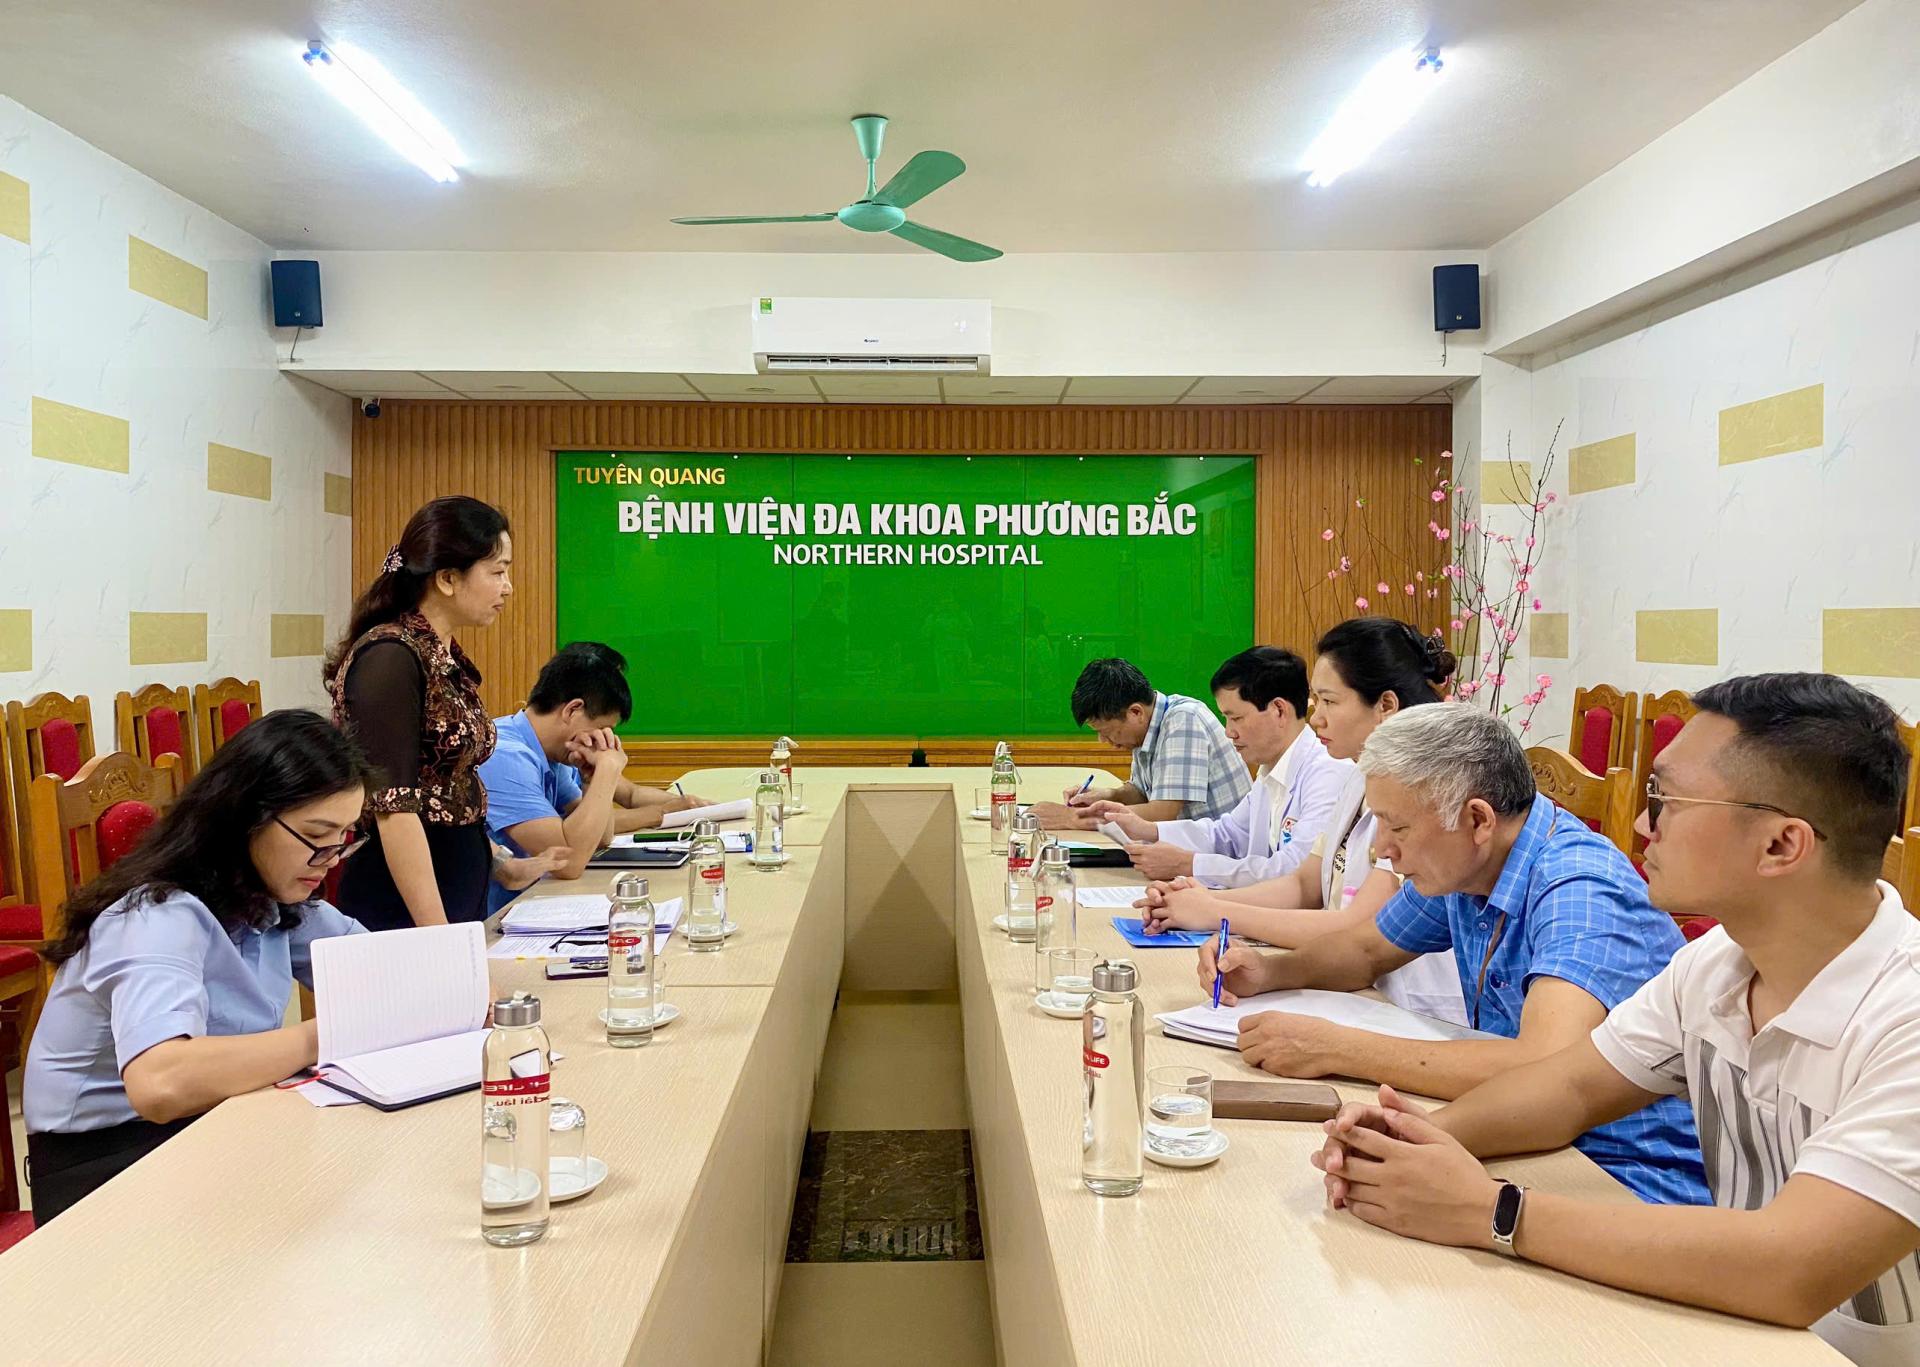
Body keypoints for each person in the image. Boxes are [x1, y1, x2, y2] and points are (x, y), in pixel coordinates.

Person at [1312, 675, 1920, 1365]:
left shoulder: (1903, 1015)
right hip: (1739, 1321)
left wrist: (1490, 1209)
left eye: (1666, 801)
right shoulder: (1717, 964)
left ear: (1781, 845)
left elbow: (1790, 1268)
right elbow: (1568, 1087)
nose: (1640, 826)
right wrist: (1409, 1145)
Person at [1200, 702, 1709, 1206]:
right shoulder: (1468, 861)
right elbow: (1365, 949)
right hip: (1521, 1133)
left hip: (1623, 1172)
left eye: (1397, 828)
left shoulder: (1580, 889)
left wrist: (1337, 1048)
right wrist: (1270, 970)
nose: (1381, 850)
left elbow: (1543, 1068)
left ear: (1477, 819)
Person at [23, 711, 374, 1223]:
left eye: (345, 836)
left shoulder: (274, 897)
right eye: (316, 835)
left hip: (210, 1125)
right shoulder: (156, 915)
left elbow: (387, 971)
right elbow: (161, 1083)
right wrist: (325, 1036)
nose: (332, 858)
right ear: (244, 817)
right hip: (107, 1165)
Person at [1135, 617, 1464, 1021]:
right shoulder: (1358, 773)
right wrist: (1199, 901)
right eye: (1315, 701)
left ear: (1385, 706)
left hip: (1411, 1006)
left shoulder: (1422, 789)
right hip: (1358, 988)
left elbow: (1358, 929)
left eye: (1329, 702)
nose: (1316, 717)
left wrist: (1216, 911)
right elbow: (1304, 884)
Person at [325, 496, 558, 932]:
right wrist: (440, 939)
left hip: (455, 887)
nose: (508, 587)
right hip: (404, 908)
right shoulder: (389, 658)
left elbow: (450, 789)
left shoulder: (439, 654)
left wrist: (501, 864)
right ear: (448, 579)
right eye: (498, 572)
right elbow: (394, 809)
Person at [477, 642, 715, 913]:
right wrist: (608, 769)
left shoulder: (554, 753)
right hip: (497, 921)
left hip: (535, 903)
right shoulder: (506, 755)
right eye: (603, 728)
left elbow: (600, 837)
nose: (605, 739)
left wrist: (592, 778)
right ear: (572, 710)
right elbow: (569, 863)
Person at [1083, 646, 1349, 885]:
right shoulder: (1271, 770)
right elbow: (1227, 833)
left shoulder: (1327, 773)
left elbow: (1296, 874)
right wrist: (1148, 830)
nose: (1229, 732)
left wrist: (1190, 865)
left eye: (1236, 718)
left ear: (1279, 710)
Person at [1029, 657, 1250, 830]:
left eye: (1107, 732)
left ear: (1135, 712)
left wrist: (1073, 818)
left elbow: (1163, 813)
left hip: (1224, 857)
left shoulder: (1183, 720)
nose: (1103, 741)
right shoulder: (1146, 727)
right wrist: (1108, 796)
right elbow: (1143, 793)